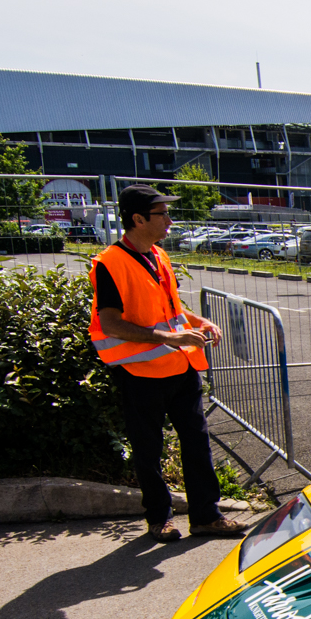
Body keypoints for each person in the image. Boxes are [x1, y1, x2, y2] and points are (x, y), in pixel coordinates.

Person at [90, 184, 245, 542]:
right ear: (138, 219)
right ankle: (159, 518)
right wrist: (169, 338)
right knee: (149, 448)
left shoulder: (158, 255)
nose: (170, 221)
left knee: (197, 441)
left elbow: (171, 310)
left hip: (180, 367)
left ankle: (206, 516)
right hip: (140, 372)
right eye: (162, 214)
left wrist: (198, 323)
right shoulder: (109, 263)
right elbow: (110, 322)